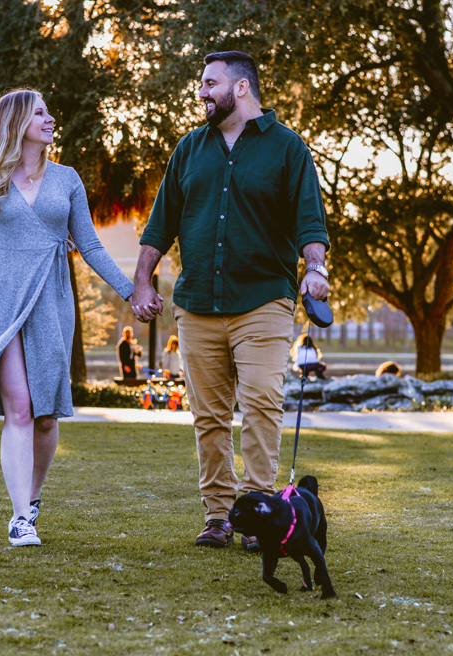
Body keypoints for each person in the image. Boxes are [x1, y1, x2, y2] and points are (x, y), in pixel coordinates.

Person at [130, 51, 330, 551]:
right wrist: (142, 281)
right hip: (197, 303)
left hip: (264, 299)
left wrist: (316, 269)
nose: (201, 93)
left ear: (241, 88)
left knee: (262, 402)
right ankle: (219, 517)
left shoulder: (288, 149)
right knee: (209, 416)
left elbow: (310, 220)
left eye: (209, 83)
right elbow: (160, 225)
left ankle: (260, 509)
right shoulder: (190, 149)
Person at [0, 89, 135, 548]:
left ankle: (33, 498)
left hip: (51, 300)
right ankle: (21, 517)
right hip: (2, 301)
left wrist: (131, 290)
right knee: (19, 408)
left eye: (48, 110)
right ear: (17, 121)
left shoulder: (67, 179)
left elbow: (93, 246)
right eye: (40, 112)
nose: (50, 117)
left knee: (46, 415)